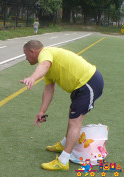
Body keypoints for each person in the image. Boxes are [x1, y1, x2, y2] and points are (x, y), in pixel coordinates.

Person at [20, 40, 104, 171]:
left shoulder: (45, 53)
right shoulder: (48, 64)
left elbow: (44, 64)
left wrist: (32, 77)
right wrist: (42, 111)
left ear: (32, 51)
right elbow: (49, 89)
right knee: (72, 113)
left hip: (89, 83)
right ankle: (64, 144)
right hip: (81, 86)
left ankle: (63, 161)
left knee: (75, 122)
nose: (26, 58)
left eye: (26, 55)